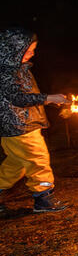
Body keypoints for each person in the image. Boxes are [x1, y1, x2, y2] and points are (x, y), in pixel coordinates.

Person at [0, 28, 72, 214]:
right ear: (14, 50)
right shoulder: (6, 72)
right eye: (29, 50)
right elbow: (18, 98)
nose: (32, 54)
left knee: (17, 164)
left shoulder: (18, 68)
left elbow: (28, 96)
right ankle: (43, 198)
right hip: (19, 126)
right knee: (38, 160)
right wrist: (48, 98)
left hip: (20, 125)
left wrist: (51, 101)